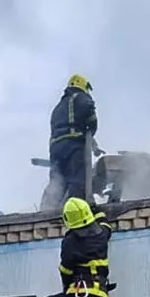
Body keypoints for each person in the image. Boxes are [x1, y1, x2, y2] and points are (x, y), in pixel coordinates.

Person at [42, 74, 100, 209]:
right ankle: (77, 208)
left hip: (55, 148)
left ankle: (48, 209)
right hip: (73, 145)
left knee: (58, 180)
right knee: (77, 180)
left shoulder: (58, 107)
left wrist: (93, 144)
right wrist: (91, 131)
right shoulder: (81, 98)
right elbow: (91, 119)